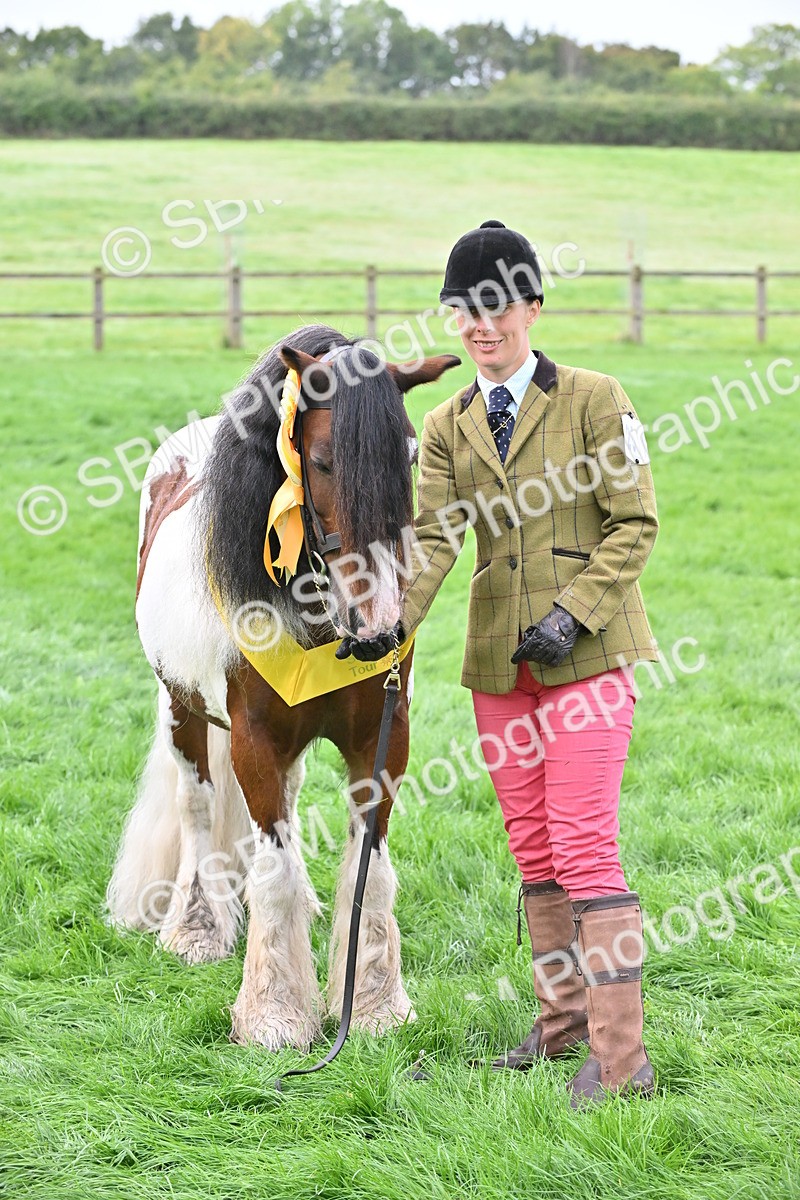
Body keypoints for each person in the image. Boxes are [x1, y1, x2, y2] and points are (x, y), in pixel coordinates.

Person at [338, 219, 659, 1107]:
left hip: (589, 660)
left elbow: (636, 525)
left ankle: (623, 1062)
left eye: (495, 308)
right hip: (499, 672)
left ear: (531, 307)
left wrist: (572, 615)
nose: (480, 326)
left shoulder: (596, 397)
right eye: (462, 311)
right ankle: (560, 1029)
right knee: (534, 852)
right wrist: (387, 622)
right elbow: (437, 539)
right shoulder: (446, 423)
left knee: (589, 849)